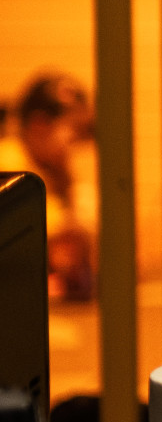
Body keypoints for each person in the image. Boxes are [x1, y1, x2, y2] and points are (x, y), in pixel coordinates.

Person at [0, 71, 96, 300]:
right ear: (40, 125)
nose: (77, 141)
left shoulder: (54, 170)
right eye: (73, 128)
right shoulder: (9, 166)